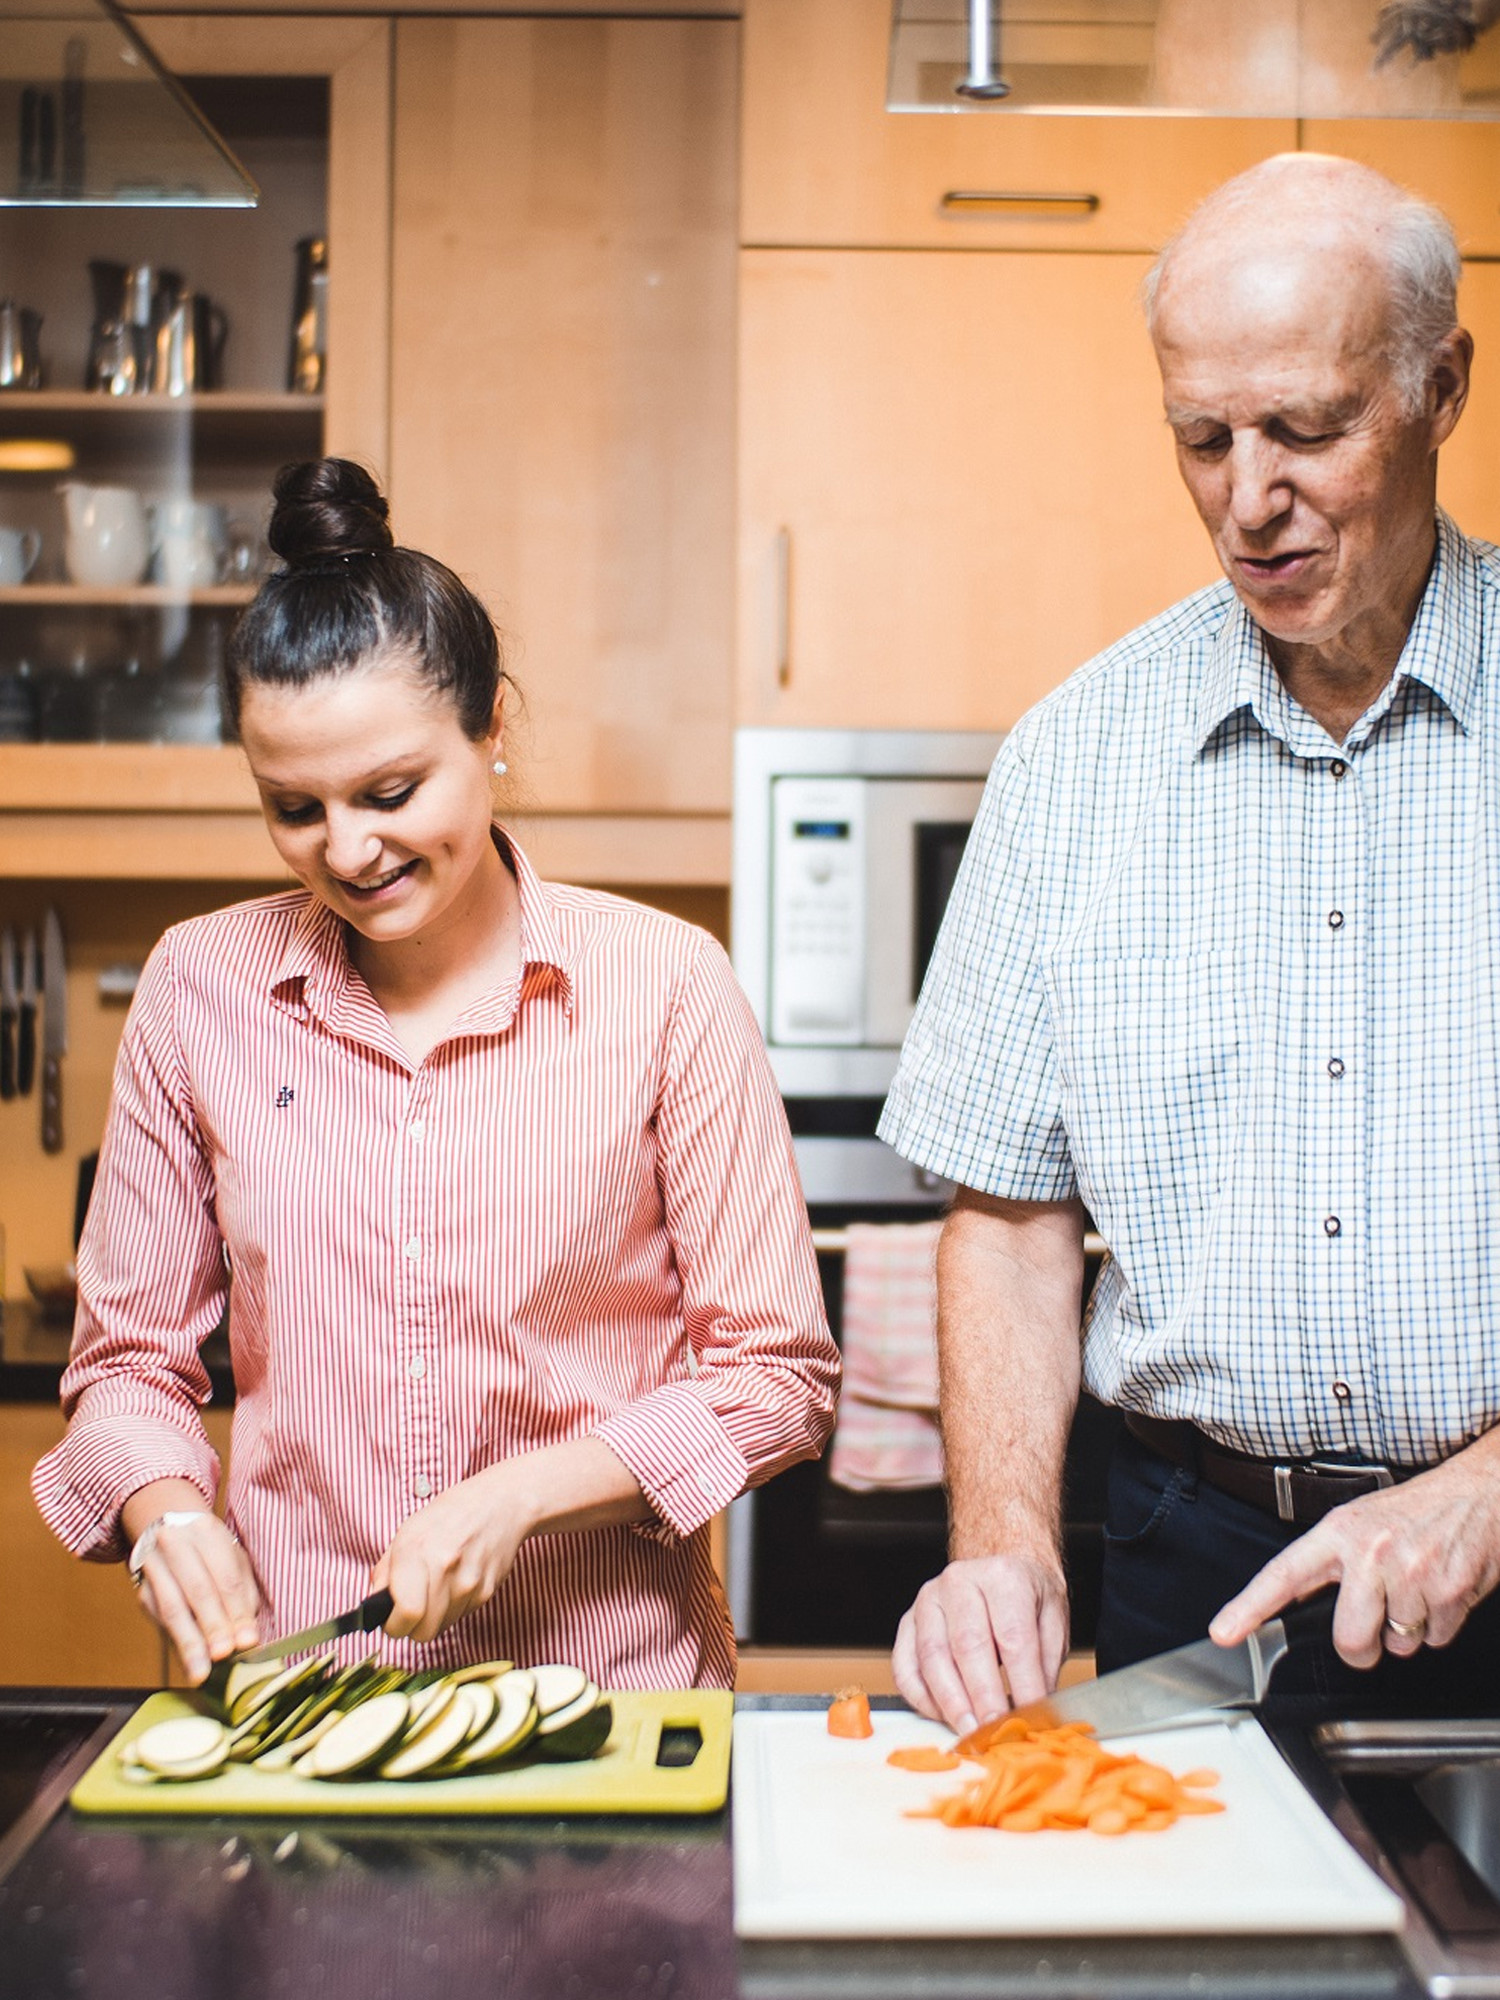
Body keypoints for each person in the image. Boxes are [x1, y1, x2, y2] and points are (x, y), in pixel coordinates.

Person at [32, 457, 838, 1691]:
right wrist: (163, 1512)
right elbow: (127, 1362)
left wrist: (525, 1494)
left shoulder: (666, 985)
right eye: (292, 806)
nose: (348, 848)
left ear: (493, 726)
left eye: (392, 790)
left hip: (602, 1691)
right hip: (298, 1686)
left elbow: (774, 1375)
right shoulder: (199, 988)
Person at [880, 151, 1500, 1730]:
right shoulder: (1072, 760)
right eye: (1202, 438)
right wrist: (1005, 1547)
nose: (1249, 497)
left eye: (1307, 429)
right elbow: (1012, 1219)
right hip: (1191, 1564)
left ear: (1442, 386)